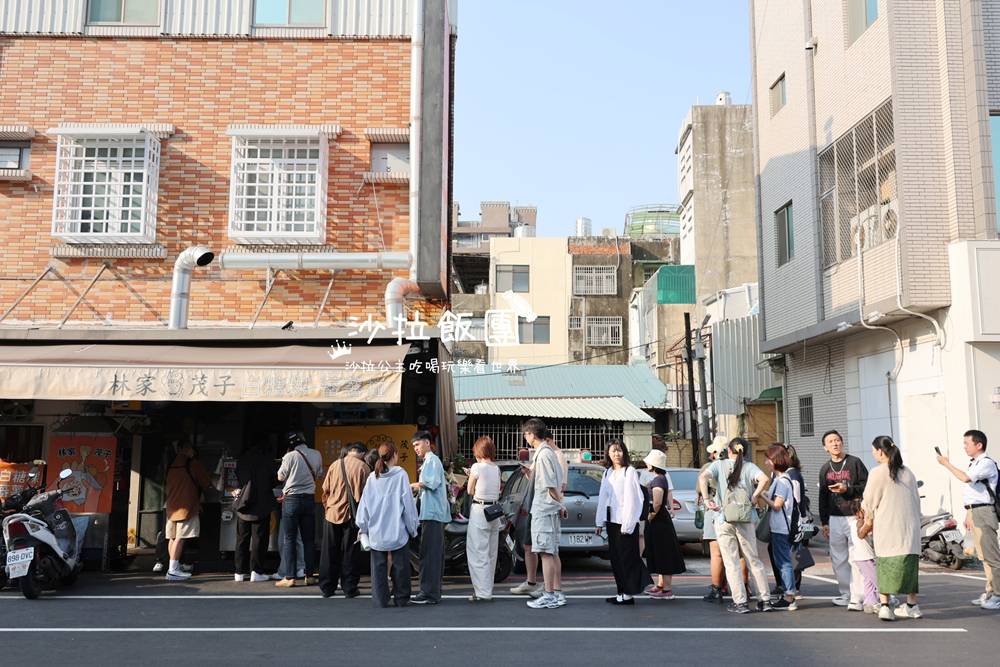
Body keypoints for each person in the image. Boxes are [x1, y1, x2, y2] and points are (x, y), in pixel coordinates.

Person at [698, 437, 771, 614]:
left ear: (729, 450)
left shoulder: (718, 465)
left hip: (724, 518)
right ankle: (765, 600)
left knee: (731, 562)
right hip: (746, 518)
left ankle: (741, 602)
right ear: (744, 451)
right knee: (753, 559)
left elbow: (703, 477)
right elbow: (764, 479)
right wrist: (755, 496)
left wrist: (707, 500)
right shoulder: (749, 467)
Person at [936, 429, 1000, 610]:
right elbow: (975, 492)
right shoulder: (975, 463)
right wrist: (968, 513)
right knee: (983, 556)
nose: (964, 447)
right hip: (976, 511)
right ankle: (990, 591)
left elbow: (965, 478)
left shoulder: (986, 463)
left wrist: (946, 464)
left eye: (967, 444)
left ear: (979, 445)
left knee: (992, 556)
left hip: (985, 512)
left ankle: (998, 594)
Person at [861, 435, 922, 621]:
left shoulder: (878, 472)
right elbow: (917, 501)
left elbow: (869, 501)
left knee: (885, 565)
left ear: (880, 451)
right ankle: (912, 605)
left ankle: (885, 606)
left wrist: (866, 519)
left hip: (888, 527)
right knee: (910, 567)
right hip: (909, 528)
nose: (874, 454)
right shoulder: (908, 472)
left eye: (874, 451)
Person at [356, 441, 419, 608]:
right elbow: (408, 505)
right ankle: (401, 598)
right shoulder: (401, 475)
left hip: (376, 530)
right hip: (397, 530)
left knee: (378, 567)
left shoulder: (372, 477)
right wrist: (413, 528)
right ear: (395, 455)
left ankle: (380, 599)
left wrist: (363, 527)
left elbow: (364, 505)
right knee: (401, 566)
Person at [596, 439, 651, 605]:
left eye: (619, 450)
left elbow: (633, 499)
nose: (616, 454)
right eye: (613, 451)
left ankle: (628, 593)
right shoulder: (608, 472)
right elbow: (603, 498)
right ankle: (621, 591)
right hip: (612, 520)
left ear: (624, 452)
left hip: (625, 522)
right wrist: (599, 522)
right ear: (608, 453)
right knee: (615, 558)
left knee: (627, 557)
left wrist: (628, 524)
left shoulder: (630, 471)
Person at [818, 429, 868, 608]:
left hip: (854, 516)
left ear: (842, 442)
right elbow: (822, 496)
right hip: (834, 517)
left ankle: (859, 595)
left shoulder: (854, 463)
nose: (835, 443)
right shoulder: (825, 468)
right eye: (830, 441)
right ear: (825, 447)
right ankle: (846, 593)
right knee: (838, 558)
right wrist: (824, 522)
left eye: (837, 440)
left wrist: (847, 489)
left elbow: (866, 486)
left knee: (857, 555)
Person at [524, 418, 567, 609]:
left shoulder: (543, 455)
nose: (526, 437)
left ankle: (549, 594)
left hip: (544, 509)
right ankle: (556, 592)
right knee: (553, 552)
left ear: (532, 434)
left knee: (545, 553)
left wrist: (561, 504)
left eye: (526, 433)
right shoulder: (549, 453)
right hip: (549, 509)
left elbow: (550, 486)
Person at [319, 442, 369, 599]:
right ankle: (349, 587)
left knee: (329, 551)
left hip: (332, 514)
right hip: (352, 515)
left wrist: (328, 507)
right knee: (350, 552)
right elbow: (366, 495)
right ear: (362, 453)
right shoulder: (363, 468)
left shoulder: (335, 464)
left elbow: (325, 489)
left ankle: (327, 587)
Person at [275, 431, 322, 588]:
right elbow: (319, 474)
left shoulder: (290, 456)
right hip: (309, 499)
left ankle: (290, 577)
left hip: (292, 500)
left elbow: (280, 477)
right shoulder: (316, 454)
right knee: (308, 540)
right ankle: (309, 576)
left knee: (289, 539)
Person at [410, 430, 450, 605]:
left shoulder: (432, 461)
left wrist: (411, 485)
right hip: (432, 513)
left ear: (427, 442)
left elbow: (430, 484)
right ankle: (432, 592)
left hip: (433, 514)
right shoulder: (429, 461)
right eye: (413, 446)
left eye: (417, 445)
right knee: (431, 554)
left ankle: (429, 593)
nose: (415, 449)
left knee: (430, 555)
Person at [164, 442, 212, 581]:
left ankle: (173, 567)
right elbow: (206, 482)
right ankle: (172, 570)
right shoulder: (192, 463)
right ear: (188, 450)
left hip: (172, 505)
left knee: (172, 537)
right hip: (186, 505)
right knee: (181, 537)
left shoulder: (172, 465)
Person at [642, 448, 686, 599]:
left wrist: (650, 516)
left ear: (653, 464)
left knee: (664, 553)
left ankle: (666, 589)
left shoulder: (658, 480)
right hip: (660, 521)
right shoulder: (661, 477)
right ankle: (660, 585)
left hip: (659, 522)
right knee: (661, 553)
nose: (646, 463)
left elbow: (657, 502)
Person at [233, 440, 277, 583]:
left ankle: (239, 572)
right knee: (259, 540)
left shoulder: (242, 460)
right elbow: (275, 480)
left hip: (244, 504)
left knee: (241, 540)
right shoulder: (267, 460)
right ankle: (256, 571)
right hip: (261, 505)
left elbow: (238, 478)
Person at [761, 444, 799, 611]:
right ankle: (788, 593)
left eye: (768, 459)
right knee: (782, 561)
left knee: (783, 562)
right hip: (779, 527)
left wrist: (762, 495)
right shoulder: (779, 479)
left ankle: (790, 596)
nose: (766, 462)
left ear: (775, 460)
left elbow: (777, 505)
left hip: (782, 528)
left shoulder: (782, 481)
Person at [466, 436, 501, 602]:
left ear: (478, 451)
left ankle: (483, 592)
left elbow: (470, 490)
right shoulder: (496, 468)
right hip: (494, 511)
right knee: (491, 552)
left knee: (477, 551)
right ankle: (488, 589)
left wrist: (470, 475)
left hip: (480, 510)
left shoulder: (476, 467)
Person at [700, 436, 731, 603]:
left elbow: (700, 484)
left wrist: (705, 499)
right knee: (739, 553)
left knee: (717, 554)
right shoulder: (741, 465)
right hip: (736, 511)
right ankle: (745, 586)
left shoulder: (710, 467)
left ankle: (717, 588)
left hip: (715, 509)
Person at [849, 500, 880, 614]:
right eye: (864, 510)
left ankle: (869, 602)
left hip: (860, 557)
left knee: (869, 581)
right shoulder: (860, 522)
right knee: (877, 579)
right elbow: (861, 533)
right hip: (865, 557)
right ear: (858, 513)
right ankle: (887, 598)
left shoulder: (853, 522)